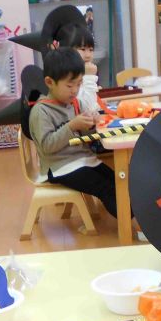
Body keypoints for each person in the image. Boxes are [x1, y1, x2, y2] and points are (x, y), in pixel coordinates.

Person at [28, 47, 116, 217]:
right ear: (49, 82)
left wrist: (91, 124)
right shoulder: (41, 111)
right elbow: (47, 146)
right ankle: (130, 222)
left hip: (83, 160)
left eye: (79, 84)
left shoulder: (76, 103)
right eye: (69, 85)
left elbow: (83, 137)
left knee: (117, 180)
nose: (75, 90)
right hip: (59, 167)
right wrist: (71, 126)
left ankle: (136, 217)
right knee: (105, 188)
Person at [56, 23, 100, 115]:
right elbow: (87, 110)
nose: (88, 55)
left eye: (91, 50)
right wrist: (89, 77)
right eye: (83, 49)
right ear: (67, 49)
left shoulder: (85, 71)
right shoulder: (65, 76)